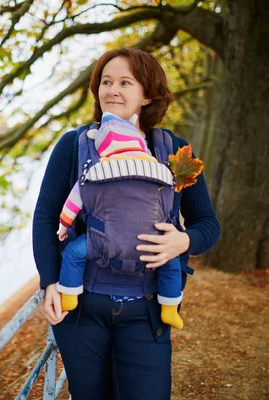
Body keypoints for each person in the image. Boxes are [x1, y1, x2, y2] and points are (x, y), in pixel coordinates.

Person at [32, 48, 220, 400]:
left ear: (147, 94)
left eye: (124, 82)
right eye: (105, 82)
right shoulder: (73, 146)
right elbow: (44, 218)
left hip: (147, 313)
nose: (111, 90)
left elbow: (208, 224)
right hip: (82, 312)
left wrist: (184, 241)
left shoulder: (175, 151)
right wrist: (50, 283)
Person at [56, 111, 185, 330]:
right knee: (170, 263)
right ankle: (170, 309)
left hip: (103, 242)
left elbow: (74, 202)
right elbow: (168, 203)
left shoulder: (95, 170)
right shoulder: (161, 170)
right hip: (151, 243)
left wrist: (64, 225)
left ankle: (69, 296)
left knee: (72, 254)